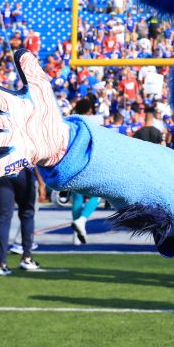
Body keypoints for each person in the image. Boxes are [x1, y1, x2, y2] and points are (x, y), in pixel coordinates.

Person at [0, 165, 47, 275]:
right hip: (23, 174)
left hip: (3, 173)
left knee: (3, 218)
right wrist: (41, 183)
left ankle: (1, 265)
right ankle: (27, 258)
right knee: (27, 215)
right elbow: (35, 157)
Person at [69, 97, 102, 244]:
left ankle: (76, 236)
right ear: (89, 110)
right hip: (87, 163)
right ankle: (82, 221)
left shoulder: (69, 121)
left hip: (71, 163)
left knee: (77, 198)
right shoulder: (93, 122)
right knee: (97, 195)